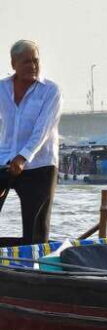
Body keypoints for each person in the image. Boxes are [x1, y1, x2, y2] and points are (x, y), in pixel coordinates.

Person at [0, 40, 62, 247]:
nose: (33, 66)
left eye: (35, 61)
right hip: (5, 159)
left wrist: (23, 157)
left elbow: (42, 131)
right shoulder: (2, 88)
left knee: (35, 227)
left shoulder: (50, 90)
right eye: (26, 62)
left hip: (39, 164)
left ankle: (34, 269)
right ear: (13, 63)